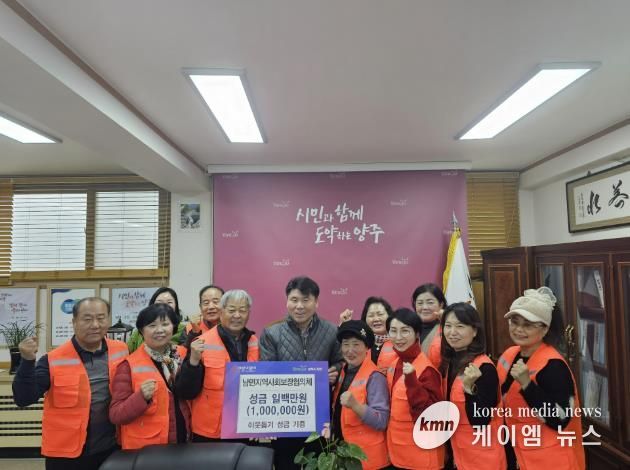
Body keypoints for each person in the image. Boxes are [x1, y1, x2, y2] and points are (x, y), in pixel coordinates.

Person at [12, 297, 128, 470]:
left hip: (111, 448)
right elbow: (24, 398)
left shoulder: (121, 350)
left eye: (101, 318)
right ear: (74, 322)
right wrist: (27, 361)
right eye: (87, 319)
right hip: (65, 453)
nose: (95, 325)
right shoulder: (53, 359)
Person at [259, 276, 343, 470]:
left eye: (306, 300)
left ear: (316, 302)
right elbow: (267, 373)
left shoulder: (332, 331)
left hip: (320, 416)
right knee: (286, 464)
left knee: (319, 463)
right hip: (285, 415)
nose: (299, 306)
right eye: (294, 300)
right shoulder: (271, 333)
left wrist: (335, 372)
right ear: (287, 301)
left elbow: (341, 361)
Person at [498, 287, 585, 470]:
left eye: (528, 325)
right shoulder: (510, 354)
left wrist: (527, 385)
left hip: (550, 460)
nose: (519, 329)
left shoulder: (554, 366)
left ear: (545, 329)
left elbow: (560, 419)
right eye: (514, 322)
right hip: (519, 452)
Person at [176, 289, 259, 442]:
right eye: (231, 310)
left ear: (249, 313)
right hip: (210, 431)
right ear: (221, 312)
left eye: (242, 310)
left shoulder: (254, 342)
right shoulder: (201, 342)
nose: (237, 315)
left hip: (244, 426)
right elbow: (186, 391)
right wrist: (193, 362)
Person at [109, 303, 189, 449]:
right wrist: (140, 397)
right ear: (141, 331)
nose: (160, 330)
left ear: (173, 327)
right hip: (146, 449)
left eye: (165, 324)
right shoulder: (128, 366)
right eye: (152, 325)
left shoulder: (184, 356)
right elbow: (116, 415)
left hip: (184, 442)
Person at [440, 303, 506, 470]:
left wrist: (469, 389)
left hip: (482, 458)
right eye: (448, 326)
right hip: (458, 453)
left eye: (460, 326)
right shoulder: (450, 362)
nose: (452, 332)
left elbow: (481, 421)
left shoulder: (484, 368)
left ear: (475, 331)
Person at [386, 308, 444, 469]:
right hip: (398, 453)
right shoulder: (394, 364)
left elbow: (431, 418)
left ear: (417, 333)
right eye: (393, 331)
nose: (398, 337)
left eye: (405, 331)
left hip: (422, 456)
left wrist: (412, 382)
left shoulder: (426, 369)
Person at [332, 320, 390, 470]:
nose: (350, 350)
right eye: (345, 344)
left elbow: (382, 421)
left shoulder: (375, 377)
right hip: (346, 456)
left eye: (356, 344)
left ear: (367, 348)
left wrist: (356, 406)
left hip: (368, 460)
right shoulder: (343, 371)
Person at [126, 287, 186, 352]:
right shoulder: (140, 330)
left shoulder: (184, 330)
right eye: (152, 325)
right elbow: (127, 351)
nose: (164, 306)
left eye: (169, 302)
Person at [339, 296, 393, 364]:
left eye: (380, 314)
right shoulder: (359, 343)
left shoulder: (398, 341)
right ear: (365, 319)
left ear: (390, 316)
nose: (376, 319)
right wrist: (344, 326)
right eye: (371, 315)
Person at [412, 283, 446, 368]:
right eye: (420, 303)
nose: (425, 307)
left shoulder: (448, 328)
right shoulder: (408, 327)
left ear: (441, 304)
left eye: (430, 303)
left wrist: (447, 320)